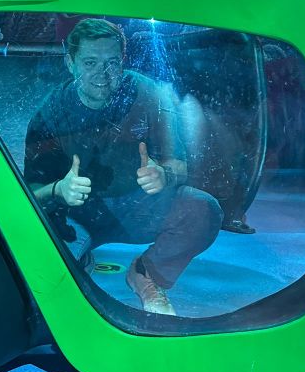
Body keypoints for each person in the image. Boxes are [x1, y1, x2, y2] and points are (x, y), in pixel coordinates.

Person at [24, 18, 222, 316]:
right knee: (43, 287)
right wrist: (59, 189)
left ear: (123, 61)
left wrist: (163, 175)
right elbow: (29, 195)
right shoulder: (50, 115)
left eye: (112, 62)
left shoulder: (149, 94)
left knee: (203, 210)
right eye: (90, 62)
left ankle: (147, 274)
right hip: (75, 217)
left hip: (137, 208)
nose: (102, 74)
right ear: (70, 63)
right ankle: (79, 257)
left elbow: (181, 165)